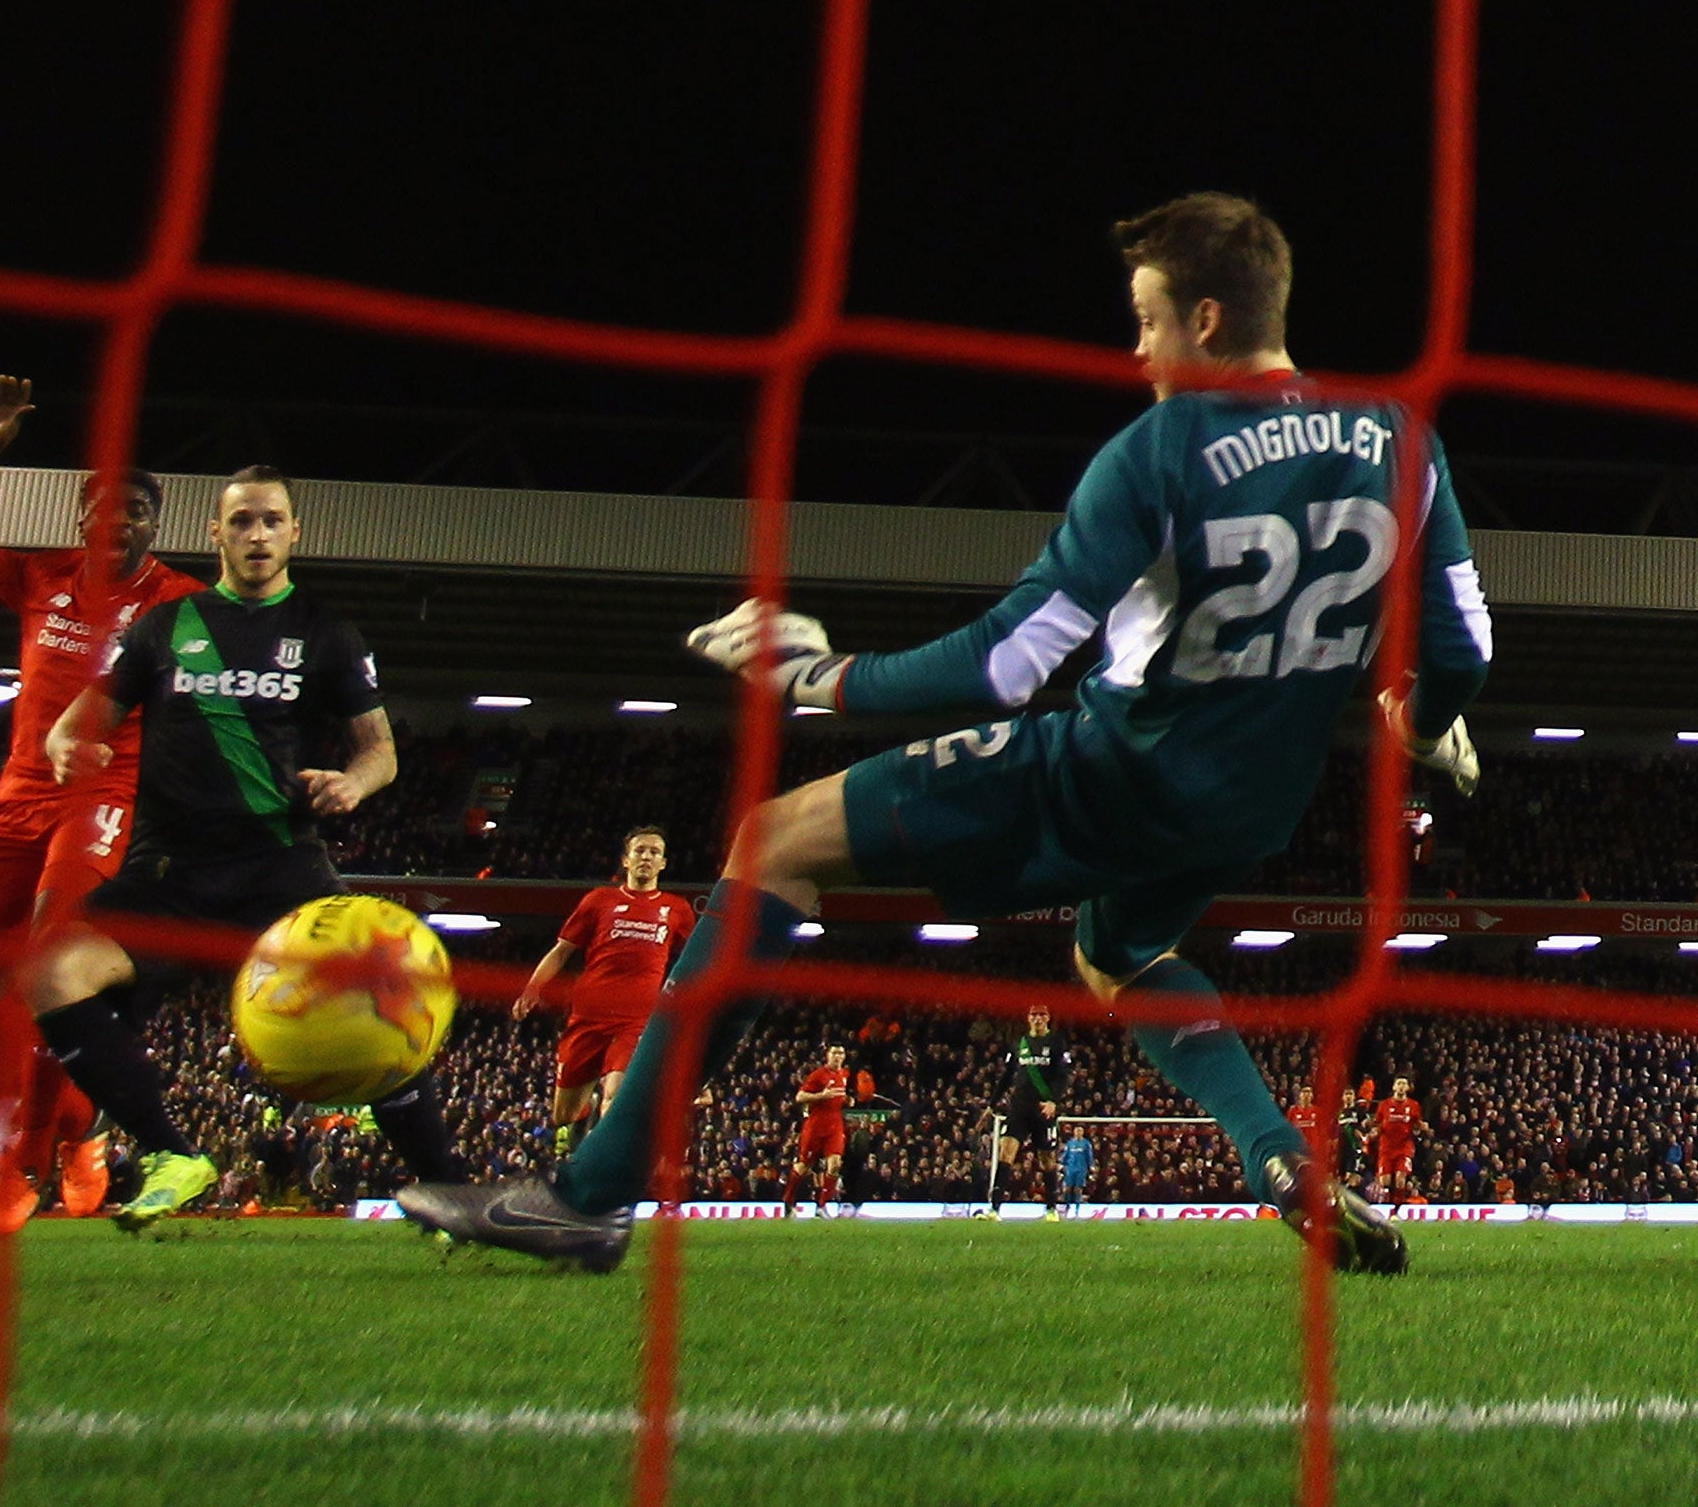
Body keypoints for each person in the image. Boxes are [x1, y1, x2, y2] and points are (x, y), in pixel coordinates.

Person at [399, 191, 1489, 1275]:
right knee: (1119, 953)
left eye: (1148, 319)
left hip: (1112, 768)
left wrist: (819, 676)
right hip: (1251, 804)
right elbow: (1462, 651)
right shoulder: (1400, 438)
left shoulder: (1159, 449)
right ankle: (1275, 1157)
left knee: (771, 843)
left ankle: (586, 1198)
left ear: (1205, 321)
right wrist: (1421, 724)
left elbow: (1007, 665)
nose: (1137, 349)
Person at [27, 465, 465, 1229]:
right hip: (168, 873)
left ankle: (453, 1191)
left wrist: (354, 785)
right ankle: (174, 1154)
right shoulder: (167, 628)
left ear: (294, 532)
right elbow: (77, 723)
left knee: (377, 1010)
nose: (256, 535)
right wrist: (68, 745)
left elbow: (380, 751)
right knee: (49, 975)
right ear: (216, 533)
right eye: (241, 522)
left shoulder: (328, 632)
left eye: (270, 521)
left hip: (280, 869)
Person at [0, 374, 204, 1233]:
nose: (125, 522)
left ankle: (22, 1165)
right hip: (16, 799)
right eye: (110, 508)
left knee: (48, 968)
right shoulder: (40, 577)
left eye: (141, 513)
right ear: (85, 517)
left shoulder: (182, 604)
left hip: (106, 798)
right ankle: (69, 1125)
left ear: (154, 526)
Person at [510, 827, 695, 1155]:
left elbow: (694, 958)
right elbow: (561, 951)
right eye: (640, 851)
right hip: (589, 1014)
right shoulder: (599, 901)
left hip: (637, 1018)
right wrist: (532, 989)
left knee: (616, 1099)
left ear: (663, 863)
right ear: (626, 860)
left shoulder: (676, 909)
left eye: (654, 852)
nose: (646, 857)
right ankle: (583, 1114)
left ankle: (601, 1170)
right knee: (562, 1114)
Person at [988, 1004, 1070, 1216]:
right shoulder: (1019, 1043)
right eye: (1034, 1015)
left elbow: (1063, 1076)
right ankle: (994, 1209)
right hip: (1018, 1108)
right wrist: (991, 1104)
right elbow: (1006, 1076)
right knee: (1006, 1153)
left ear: (1048, 1018)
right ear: (1028, 1018)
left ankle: (1052, 1209)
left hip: (1043, 1109)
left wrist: (1053, 1100)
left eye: (1042, 1015)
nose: (1038, 1019)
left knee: (1047, 1159)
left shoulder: (1056, 1042)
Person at [782, 1043, 851, 1212]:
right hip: (815, 1126)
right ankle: (788, 1200)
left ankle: (822, 1207)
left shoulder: (844, 1074)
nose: (838, 1056)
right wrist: (821, 1096)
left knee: (835, 1164)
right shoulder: (818, 1075)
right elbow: (800, 1096)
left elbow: (839, 1097)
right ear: (827, 1055)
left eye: (841, 1053)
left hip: (835, 1125)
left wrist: (848, 1101)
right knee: (804, 1167)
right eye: (834, 1053)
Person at [1374, 1075, 1425, 1202]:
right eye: (1399, 1083)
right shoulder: (1384, 1105)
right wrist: (1375, 1130)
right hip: (1386, 1146)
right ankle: (1387, 1205)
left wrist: (1422, 1127)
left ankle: (1397, 1209)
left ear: (1408, 1087)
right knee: (1385, 1181)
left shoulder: (1413, 1105)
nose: (1401, 1087)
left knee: (1400, 1179)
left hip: (1404, 1146)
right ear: (1394, 1087)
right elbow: (1377, 1123)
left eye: (1404, 1084)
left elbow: (1417, 1124)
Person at [1060, 1124, 1094, 1212]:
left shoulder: (1086, 1144)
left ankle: (1077, 1208)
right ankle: (1066, 1205)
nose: (1078, 1132)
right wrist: (1061, 1163)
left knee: (1078, 1189)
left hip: (1081, 1168)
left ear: (1082, 1132)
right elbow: (1066, 1155)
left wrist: (1091, 1166)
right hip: (1071, 1168)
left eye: (1080, 1131)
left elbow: (1089, 1156)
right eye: (1077, 1130)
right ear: (1074, 1132)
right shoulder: (1070, 1143)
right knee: (1068, 1187)